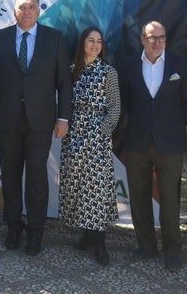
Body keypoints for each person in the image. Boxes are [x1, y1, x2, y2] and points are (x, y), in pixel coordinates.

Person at [0, 0, 72, 256]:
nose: (27, 11)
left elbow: (64, 83)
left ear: (38, 11)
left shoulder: (54, 39)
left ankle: (36, 232)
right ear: (14, 11)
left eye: (32, 7)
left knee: (36, 179)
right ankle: (13, 227)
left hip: (41, 122)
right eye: (22, 7)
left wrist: (64, 118)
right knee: (10, 177)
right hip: (6, 120)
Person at [118, 20, 187, 272]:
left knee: (170, 199)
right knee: (139, 197)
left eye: (162, 37)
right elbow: (126, 102)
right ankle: (146, 246)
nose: (157, 42)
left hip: (170, 144)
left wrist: (168, 127)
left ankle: (172, 250)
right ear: (142, 38)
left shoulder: (180, 66)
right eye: (152, 37)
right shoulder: (128, 66)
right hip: (138, 141)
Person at [59, 27, 121, 266]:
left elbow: (115, 107)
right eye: (90, 41)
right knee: (78, 186)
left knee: (96, 189)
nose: (95, 45)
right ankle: (86, 235)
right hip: (73, 134)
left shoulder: (108, 72)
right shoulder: (71, 71)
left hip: (96, 135)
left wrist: (101, 131)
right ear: (82, 43)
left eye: (99, 41)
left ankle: (100, 244)